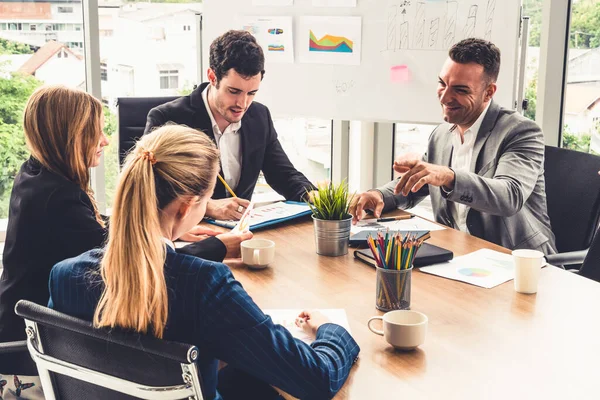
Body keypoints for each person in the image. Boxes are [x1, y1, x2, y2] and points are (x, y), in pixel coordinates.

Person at [48, 125, 360, 400]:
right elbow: (316, 380)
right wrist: (330, 329)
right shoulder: (205, 285)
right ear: (185, 209)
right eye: (207, 201)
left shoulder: (64, 275)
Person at [0, 86, 250, 374]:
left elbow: (95, 227)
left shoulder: (37, 175)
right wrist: (220, 245)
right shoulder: (57, 199)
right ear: (69, 136)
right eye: (95, 131)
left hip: (28, 333)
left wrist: (168, 228)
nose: (105, 141)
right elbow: (136, 259)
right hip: (31, 359)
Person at [352, 38, 557, 254]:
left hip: (516, 262)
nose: (445, 96)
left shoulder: (520, 131)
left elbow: (509, 196)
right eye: (442, 83)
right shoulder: (441, 134)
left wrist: (449, 176)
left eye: (460, 90)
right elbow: (419, 181)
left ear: (488, 92)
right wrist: (380, 195)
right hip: (460, 254)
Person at [144, 30, 316, 221]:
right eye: (234, 91)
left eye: (251, 93)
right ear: (212, 76)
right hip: (184, 236)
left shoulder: (260, 116)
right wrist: (208, 206)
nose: (242, 104)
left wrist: (323, 199)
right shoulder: (168, 119)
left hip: (241, 236)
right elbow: (148, 188)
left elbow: (284, 175)